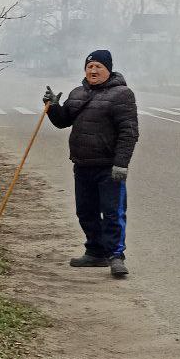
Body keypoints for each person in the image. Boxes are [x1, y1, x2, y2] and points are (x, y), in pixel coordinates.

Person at [44, 50, 138, 278]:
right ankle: (95, 252)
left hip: (109, 167)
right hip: (82, 165)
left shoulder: (122, 94)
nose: (93, 71)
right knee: (86, 212)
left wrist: (121, 163)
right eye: (90, 67)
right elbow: (62, 121)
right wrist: (53, 106)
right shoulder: (78, 93)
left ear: (109, 69)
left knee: (113, 213)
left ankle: (116, 256)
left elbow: (129, 132)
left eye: (98, 67)